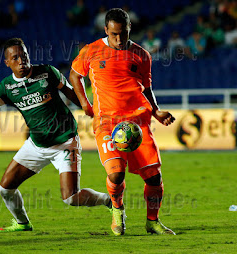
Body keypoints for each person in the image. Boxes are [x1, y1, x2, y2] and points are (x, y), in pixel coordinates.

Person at [0, 38, 111, 232]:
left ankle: (109, 200)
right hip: (36, 145)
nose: (21, 61)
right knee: (5, 189)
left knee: (70, 198)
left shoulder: (47, 72)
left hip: (65, 142)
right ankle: (22, 223)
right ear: (7, 62)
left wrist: (93, 112)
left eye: (24, 56)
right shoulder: (7, 86)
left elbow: (71, 93)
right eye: (15, 58)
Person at [69, 8, 176, 236]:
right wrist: (85, 105)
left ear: (130, 29)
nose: (119, 39)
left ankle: (152, 222)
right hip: (107, 122)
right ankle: (117, 211)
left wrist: (156, 112)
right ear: (106, 29)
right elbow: (74, 75)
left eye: (123, 34)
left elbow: (147, 89)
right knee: (116, 173)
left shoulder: (142, 55)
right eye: (114, 34)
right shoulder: (92, 51)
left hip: (137, 123)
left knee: (154, 177)